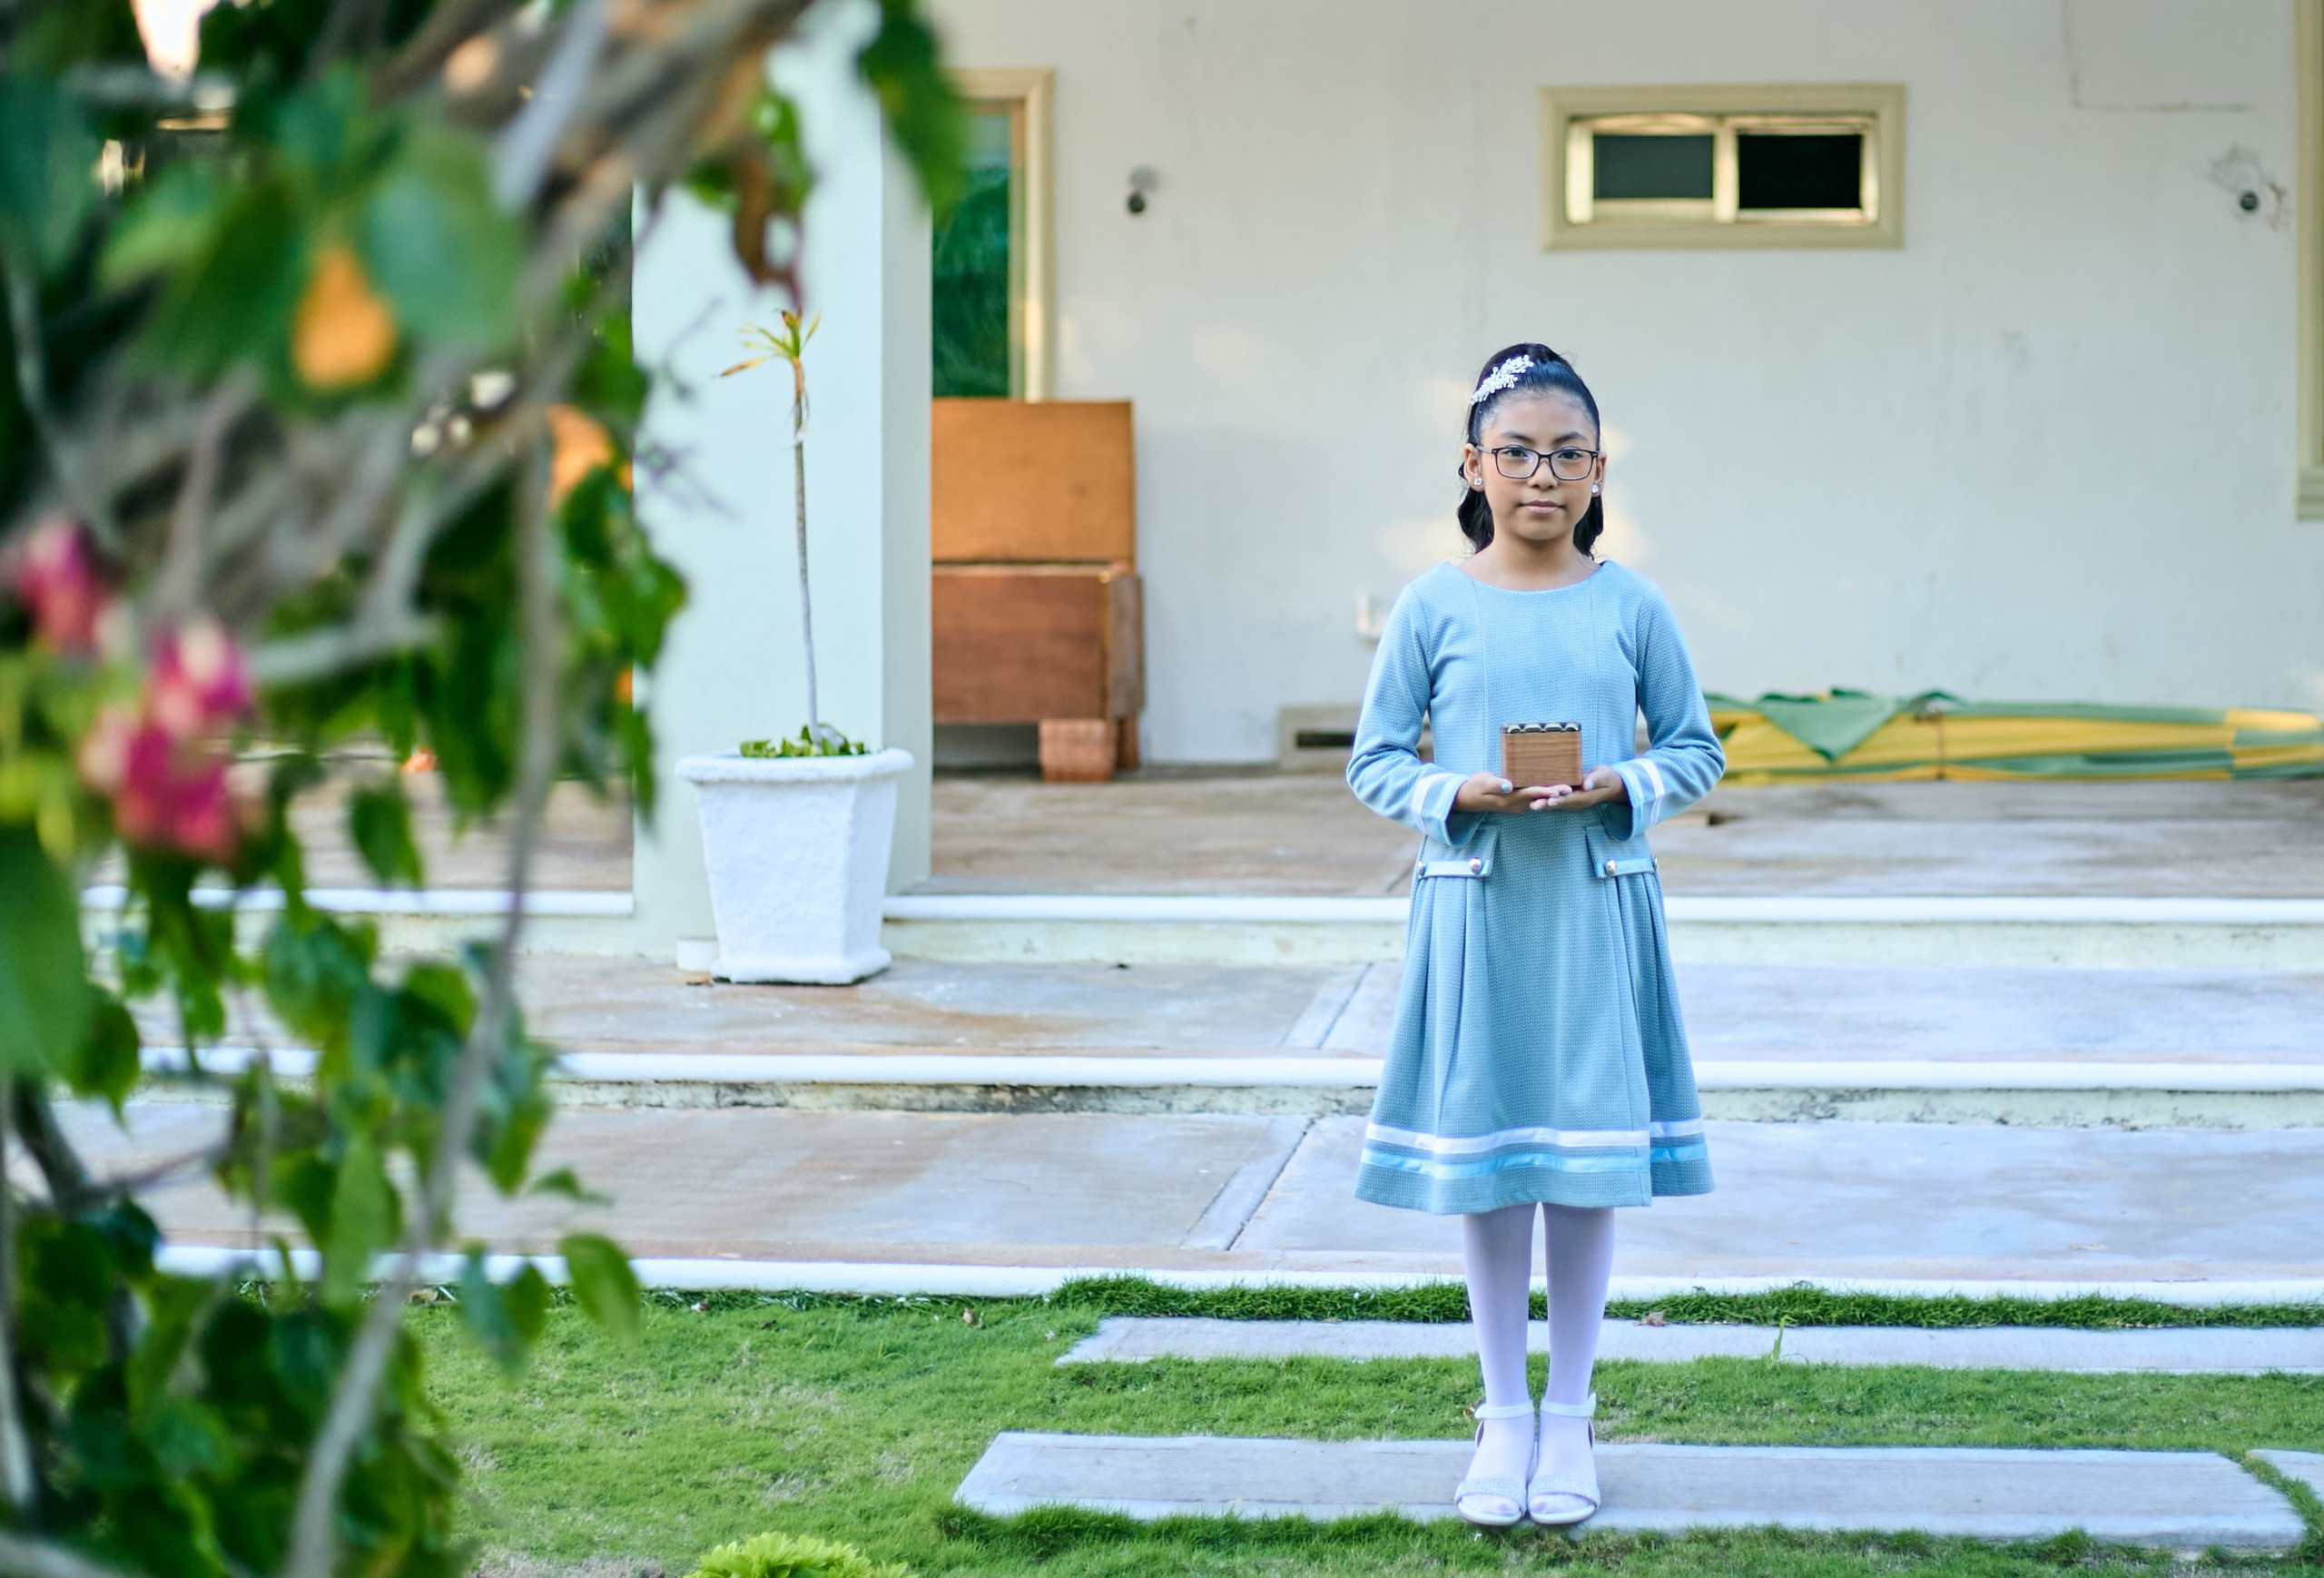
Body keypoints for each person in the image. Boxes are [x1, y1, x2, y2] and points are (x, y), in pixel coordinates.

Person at [1345, 343, 1723, 1527]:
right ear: (1473, 464)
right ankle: (1502, 1414)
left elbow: (1698, 748)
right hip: (1481, 914)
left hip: (1596, 915)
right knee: (1496, 1166)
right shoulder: (1431, 604)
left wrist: (1625, 779)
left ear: (1601, 469)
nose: (1542, 476)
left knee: (1584, 1165)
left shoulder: (1633, 605)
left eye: (1567, 454)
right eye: (1516, 452)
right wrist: (1457, 794)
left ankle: (1573, 1418)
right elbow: (1373, 761)